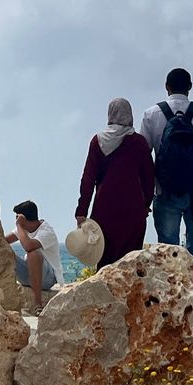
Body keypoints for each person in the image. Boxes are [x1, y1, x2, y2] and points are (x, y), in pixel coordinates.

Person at [140, 67, 193, 275]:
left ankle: (171, 293)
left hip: (164, 188)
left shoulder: (151, 114)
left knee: (168, 249)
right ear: (190, 87)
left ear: (167, 87)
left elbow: (143, 157)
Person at [75, 97, 155, 267]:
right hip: (132, 210)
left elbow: (88, 178)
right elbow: (149, 178)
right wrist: (146, 204)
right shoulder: (139, 142)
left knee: (104, 258)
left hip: (104, 209)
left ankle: (104, 293)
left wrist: (82, 211)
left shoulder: (98, 141)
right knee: (130, 261)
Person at [4, 199, 63, 312]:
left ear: (23, 219)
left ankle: (38, 303)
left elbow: (28, 246)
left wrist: (19, 225)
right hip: (29, 276)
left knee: (33, 254)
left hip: (47, 279)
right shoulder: (23, 228)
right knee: (5, 252)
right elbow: (3, 242)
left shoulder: (47, 231)